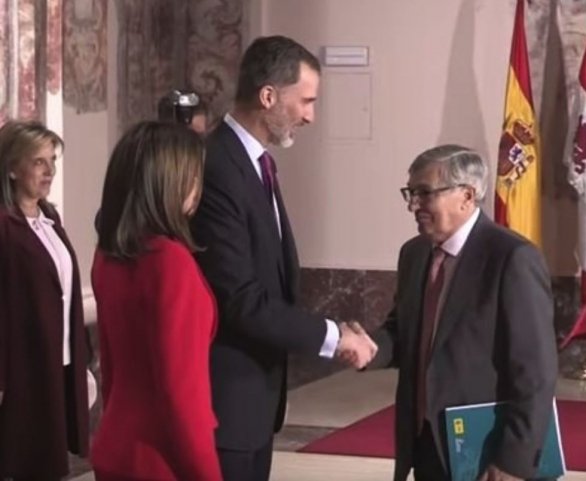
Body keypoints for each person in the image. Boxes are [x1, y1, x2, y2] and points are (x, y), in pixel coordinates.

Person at [191, 35, 377, 481]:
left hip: (255, 400)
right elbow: (240, 299)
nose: (311, 115)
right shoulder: (218, 165)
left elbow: (270, 280)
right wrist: (333, 337)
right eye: (307, 101)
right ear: (269, 96)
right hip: (227, 401)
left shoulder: (254, 163)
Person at [368, 145, 558, 481]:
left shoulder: (512, 258)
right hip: (426, 441)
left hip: (486, 446)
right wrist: (364, 347)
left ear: (466, 196)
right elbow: (402, 332)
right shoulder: (413, 254)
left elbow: (535, 371)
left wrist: (514, 460)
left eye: (425, 193)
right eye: (410, 193)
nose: (413, 205)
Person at [91, 121, 222, 481]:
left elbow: (112, 372)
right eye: (194, 176)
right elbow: (183, 397)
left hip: (116, 445)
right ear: (171, 182)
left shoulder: (109, 254)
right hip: (161, 459)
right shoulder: (170, 262)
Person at [0, 120, 89, 480]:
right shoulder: (5, 227)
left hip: (59, 361)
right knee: (25, 462)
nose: (50, 170)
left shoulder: (49, 217)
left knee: (51, 463)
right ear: (11, 167)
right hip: (22, 369)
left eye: (52, 159)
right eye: (38, 161)